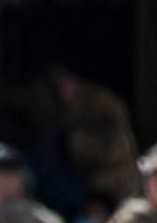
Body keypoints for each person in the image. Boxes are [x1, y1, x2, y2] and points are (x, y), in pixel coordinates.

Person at [49, 67, 141, 208]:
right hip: (89, 182)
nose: (63, 93)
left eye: (65, 85)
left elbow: (116, 143)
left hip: (117, 174)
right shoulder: (63, 111)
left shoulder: (101, 105)